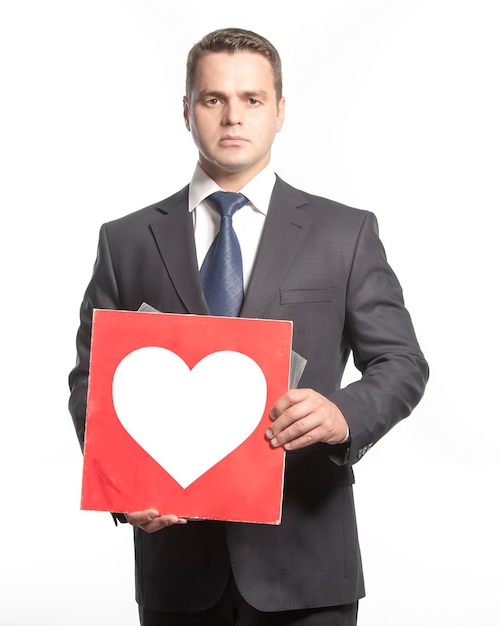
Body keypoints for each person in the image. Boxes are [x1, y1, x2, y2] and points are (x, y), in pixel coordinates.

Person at [69, 27, 428, 626]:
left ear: (280, 111)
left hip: (308, 562)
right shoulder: (127, 241)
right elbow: (91, 382)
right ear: (187, 110)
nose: (233, 116)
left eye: (253, 99)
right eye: (213, 99)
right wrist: (123, 488)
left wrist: (344, 415)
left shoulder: (346, 233)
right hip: (177, 568)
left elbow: (402, 364)